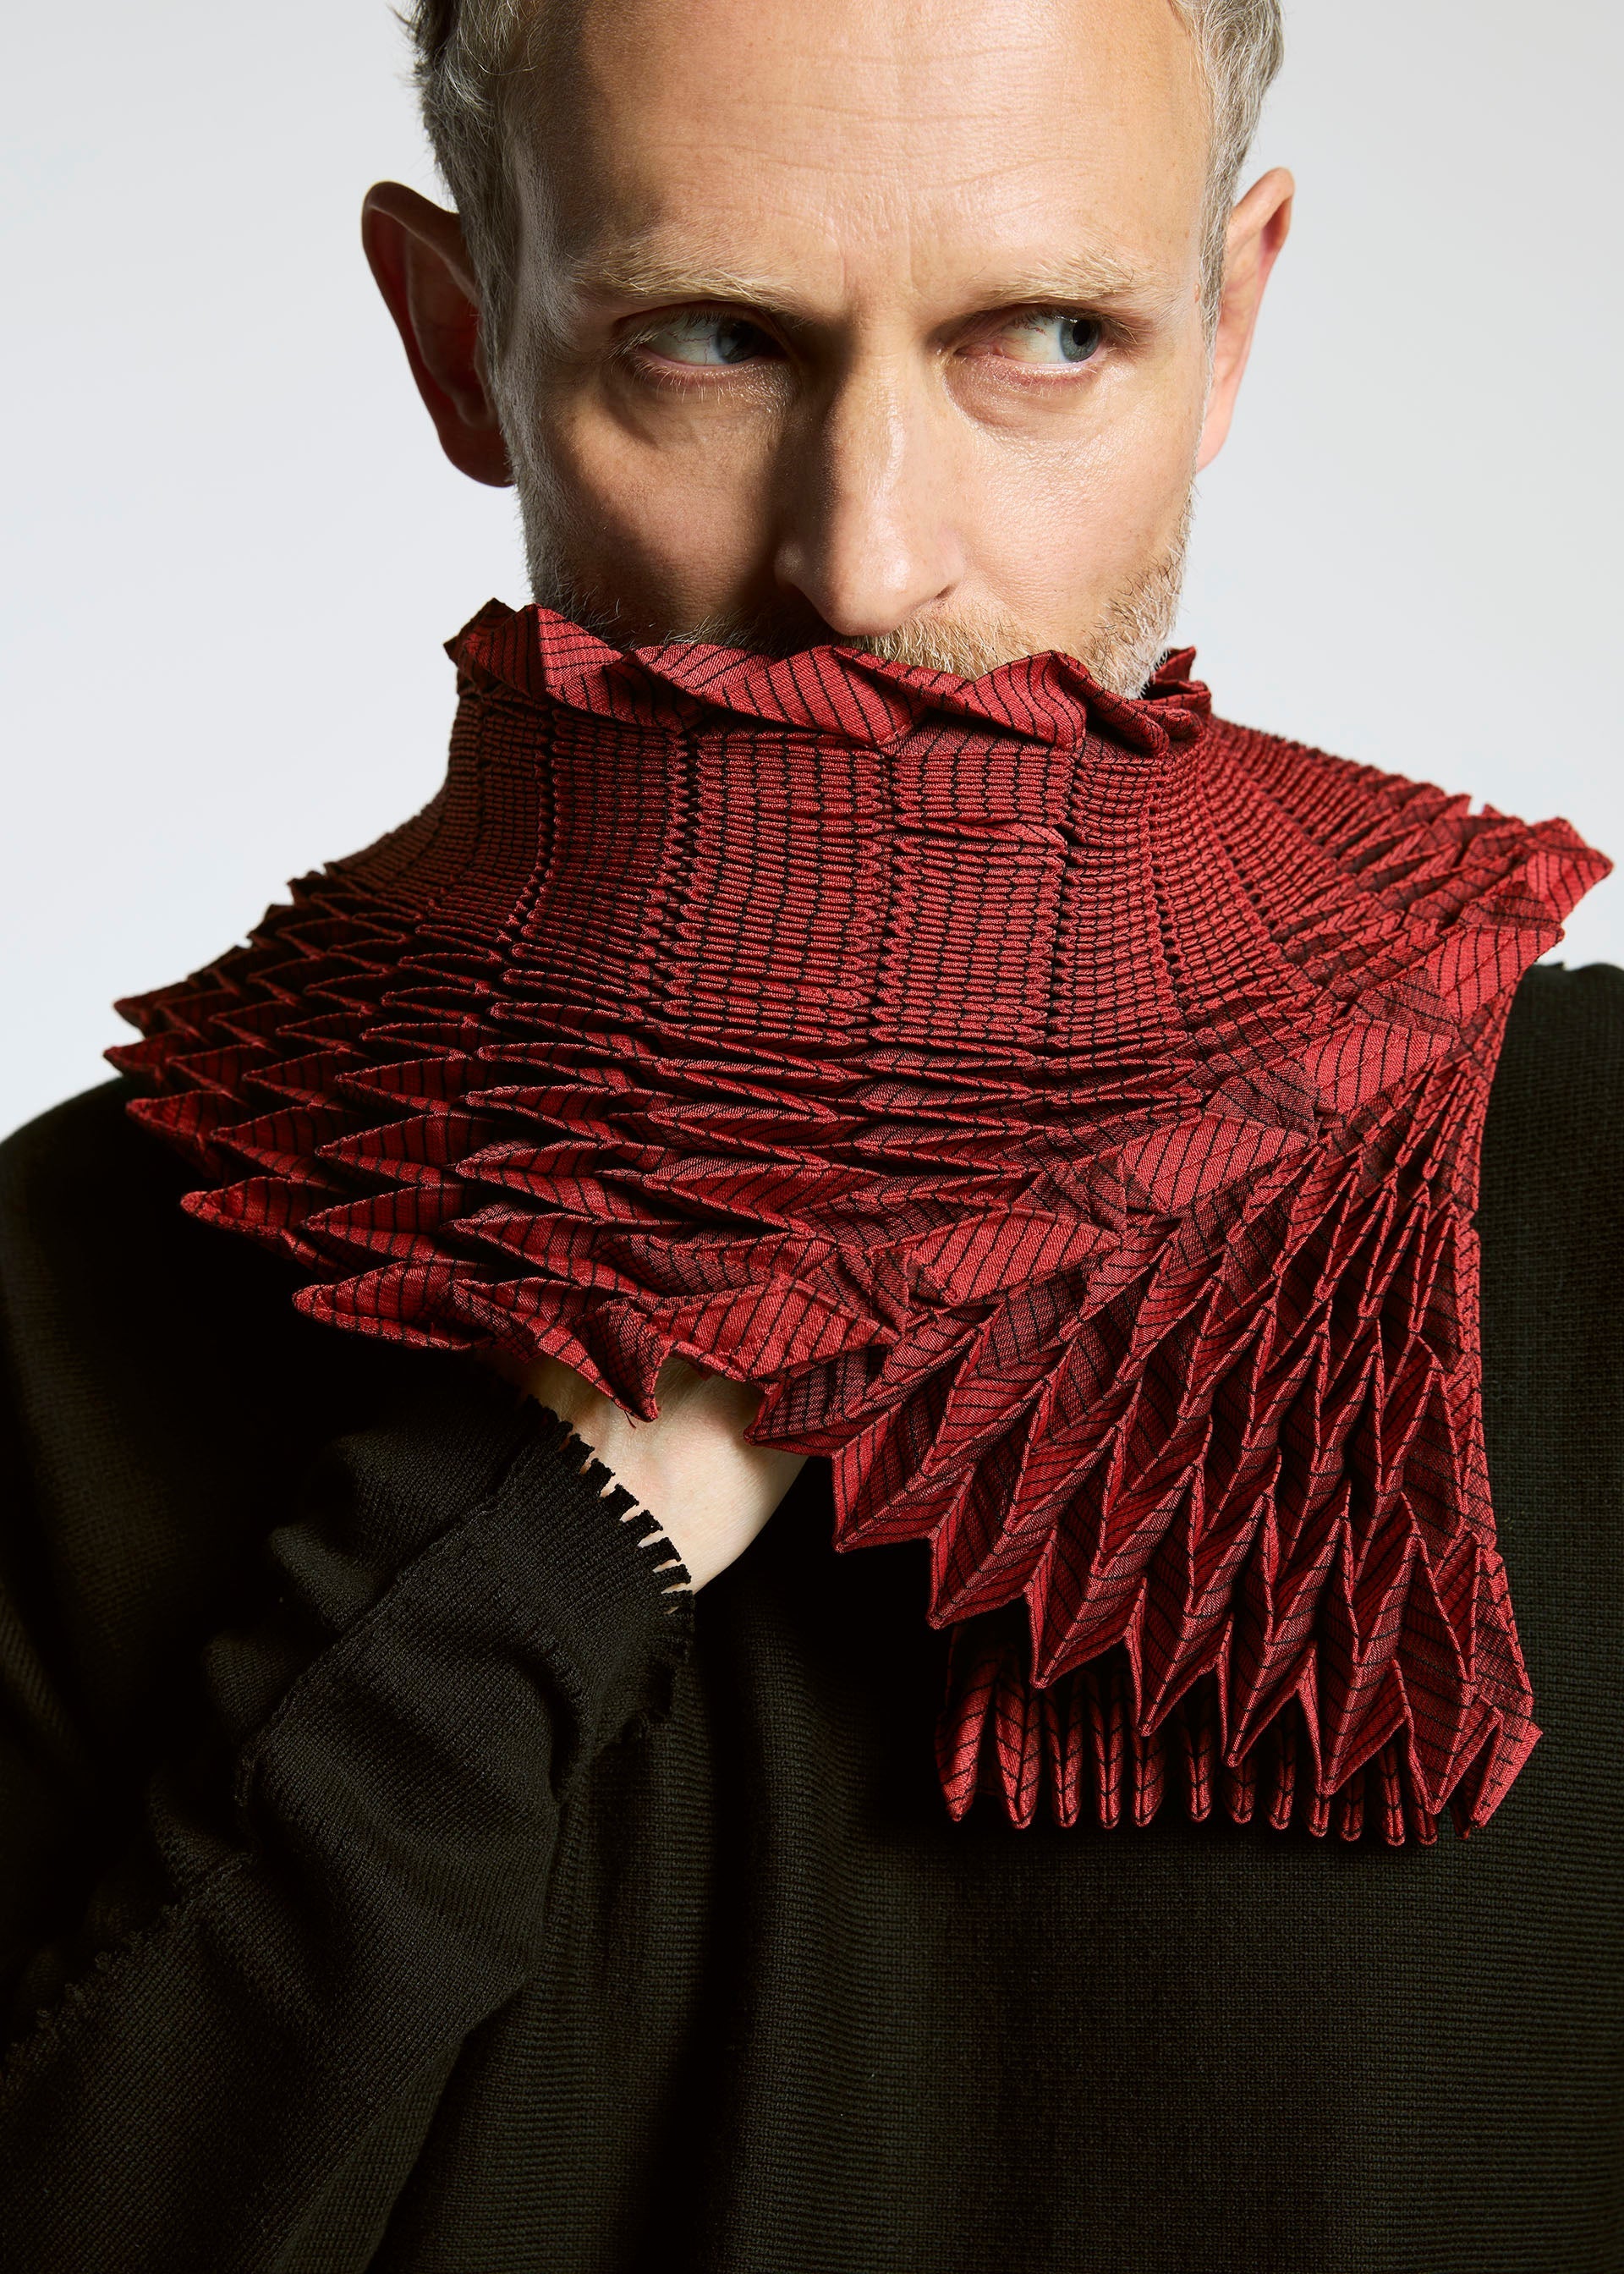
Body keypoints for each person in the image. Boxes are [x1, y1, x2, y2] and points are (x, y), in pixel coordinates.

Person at [1, 1, 1619, 2268]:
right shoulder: (65, 1299)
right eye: (711, 340)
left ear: (1230, 323)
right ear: (461, 339)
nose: (866, 569)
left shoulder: (1599, 1205)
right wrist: (541, 1534)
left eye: (1048, 334)